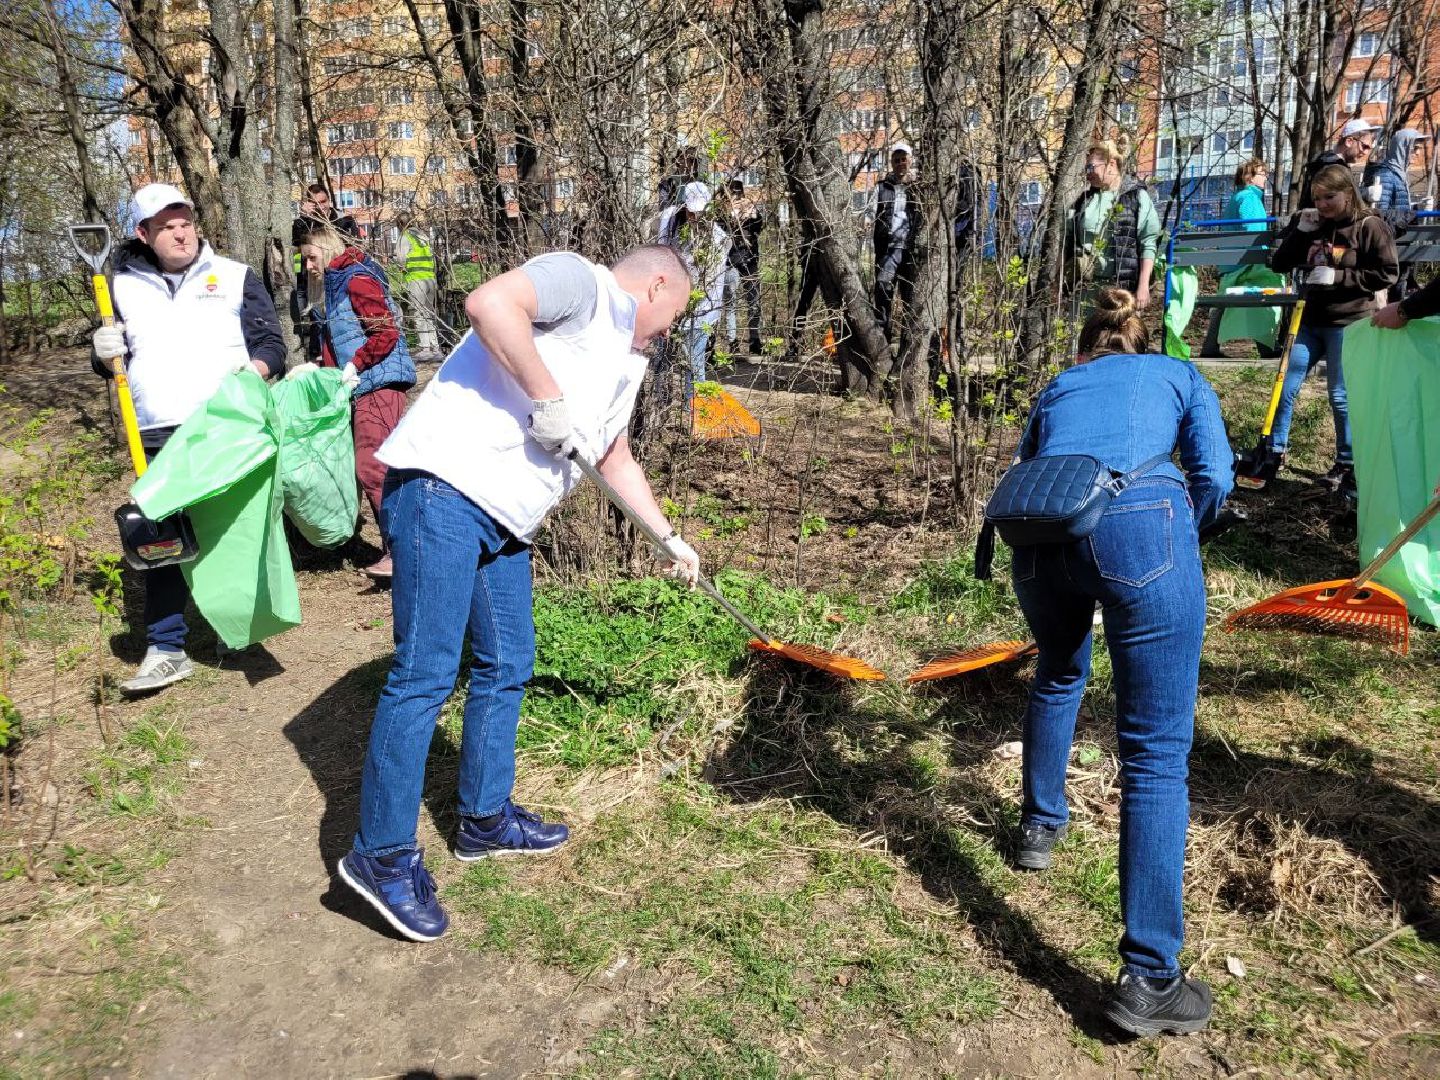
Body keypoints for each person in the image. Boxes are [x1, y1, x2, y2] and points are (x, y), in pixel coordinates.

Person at [336, 244, 698, 942]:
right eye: (673, 313)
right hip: (445, 489)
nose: (666, 330)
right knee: (426, 675)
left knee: (507, 663)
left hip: (506, 518)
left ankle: (483, 817)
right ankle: (379, 855)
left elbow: (613, 456)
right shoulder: (581, 284)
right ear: (657, 283)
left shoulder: (625, 361)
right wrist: (546, 397)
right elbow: (489, 303)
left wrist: (667, 538)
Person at [1007, 286, 1233, 1037]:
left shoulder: (1059, 385)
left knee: (1059, 671)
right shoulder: (1178, 374)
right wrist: (1179, 538)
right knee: (1155, 756)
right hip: (1144, 522)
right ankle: (1149, 977)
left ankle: (1039, 827)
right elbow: (1218, 476)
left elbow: (1027, 471)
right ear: (1139, 342)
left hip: (1041, 543)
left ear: (1089, 346)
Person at [90, 183, 285, 694]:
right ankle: (166, 647)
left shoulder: (236, 277)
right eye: (167, 226)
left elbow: (271, 345)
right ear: (144, 233)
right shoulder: (119, 286)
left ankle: (235, 631)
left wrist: (254, 373)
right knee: (162, 540)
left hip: (225, 427)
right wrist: (101, 349)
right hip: (153, 429)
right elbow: (108, 362)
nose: (181, 233)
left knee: (230, 536)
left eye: (186, 222)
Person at [1268, 164, 1399, 497]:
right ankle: (1275, 450)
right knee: (1285, 384)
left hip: (1350, 321)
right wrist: (1300, 230)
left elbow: (1387, 274)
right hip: (1311, 320)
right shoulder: (1316, 225)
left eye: (1330, 197)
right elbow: (1279, 264)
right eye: (1317, 197)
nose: (1323, 204)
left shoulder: (1370, 226)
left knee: (1340, 396)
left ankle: (1346, 463)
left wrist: (1339, 277)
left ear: (1348, 193)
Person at [297, 226, 417, 580]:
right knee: (371, 467)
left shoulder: (356, 279)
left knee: (373, 467)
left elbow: (385, 333)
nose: (308, 266)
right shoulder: (333, 287)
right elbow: (341, 342)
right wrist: (319, 368)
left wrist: (356, 364)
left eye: (312, 257)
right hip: (362, 384)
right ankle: (398, 550)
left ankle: (402, 554)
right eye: (304, 260)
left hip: (379, 383)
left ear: (328, 248)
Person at [1067, 136, 1161, 310]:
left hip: (1123, 291)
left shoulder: (1136, 197)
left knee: (1119, 337)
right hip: (1086, 290)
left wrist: (1143, 286)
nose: (1087, 174)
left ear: (1111, 164)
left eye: (1091, 167)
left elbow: (1148, 242)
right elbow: (1067, 242)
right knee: (1086, 336)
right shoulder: (1084, 201)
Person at [658, 181, 731, 395]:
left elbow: (712, 284)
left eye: (699, 213)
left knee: (694, 361)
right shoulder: (670, 221)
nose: (695, 218)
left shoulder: (718, 238)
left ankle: (694, 410)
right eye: (691, 212)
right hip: (669, 304)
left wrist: (692, 305)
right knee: (661, 359)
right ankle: (659, 403)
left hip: (701, 308)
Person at [291, 184, 358, 360]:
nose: (321, 207)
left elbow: (354, 247)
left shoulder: (344, 220)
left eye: (324, 201)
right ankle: (319, 355)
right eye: (316, 203)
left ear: (329, 199)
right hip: (315, 281)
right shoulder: (304, 222)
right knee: (318, 321)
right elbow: (300, 245)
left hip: (339, 278)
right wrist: (305, 218)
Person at [872, 141, 919, 341]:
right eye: (896, 160)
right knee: (883, 286)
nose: (900, 163)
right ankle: (884, 335)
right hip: (888, 247)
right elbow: (870, 211)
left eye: (903, 159)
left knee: (909, 294)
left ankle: (908, 339)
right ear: (891, 162)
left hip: (910, 248)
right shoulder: (883, 187)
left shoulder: (918, 187)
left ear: (910, 161)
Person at [722, 178, 765, 355]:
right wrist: (732, 217)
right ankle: (732, 343)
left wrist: (751, 215)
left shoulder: (751, 210)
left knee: (754, 302)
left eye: (739, 192)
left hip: (750, 261)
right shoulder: (723, 212)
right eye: (734, 192)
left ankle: (755, 341)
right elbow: (721, 231)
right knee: (730, 302)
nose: (737, 196)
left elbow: (759, 227)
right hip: (731, 261)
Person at [393, 213, 443, 363]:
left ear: (400, 224)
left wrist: (399, 266)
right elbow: (432, 259)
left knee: (419, 313)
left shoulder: (404, 236)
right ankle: (435, 347)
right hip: (430, 279)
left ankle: (425, 348)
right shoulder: (423, 237)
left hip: (416, 280)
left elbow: (401, 259)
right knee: (429, 313)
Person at [1297, 118, 1378, 210]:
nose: (1366, 152)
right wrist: (1365, 193)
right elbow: (1334, 198)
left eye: (1369, 148)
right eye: (1364, 146)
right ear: (1349, 141)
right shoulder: (1331, 166)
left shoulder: (1328, 162)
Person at [1362, 128, 1428, 212]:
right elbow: (1380, 214)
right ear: (1402, 148)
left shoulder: (1399, 174)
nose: (1418, 153)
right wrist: (1409, 216)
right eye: (1414, 148)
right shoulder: (1386, 175)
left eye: (1420, 148)